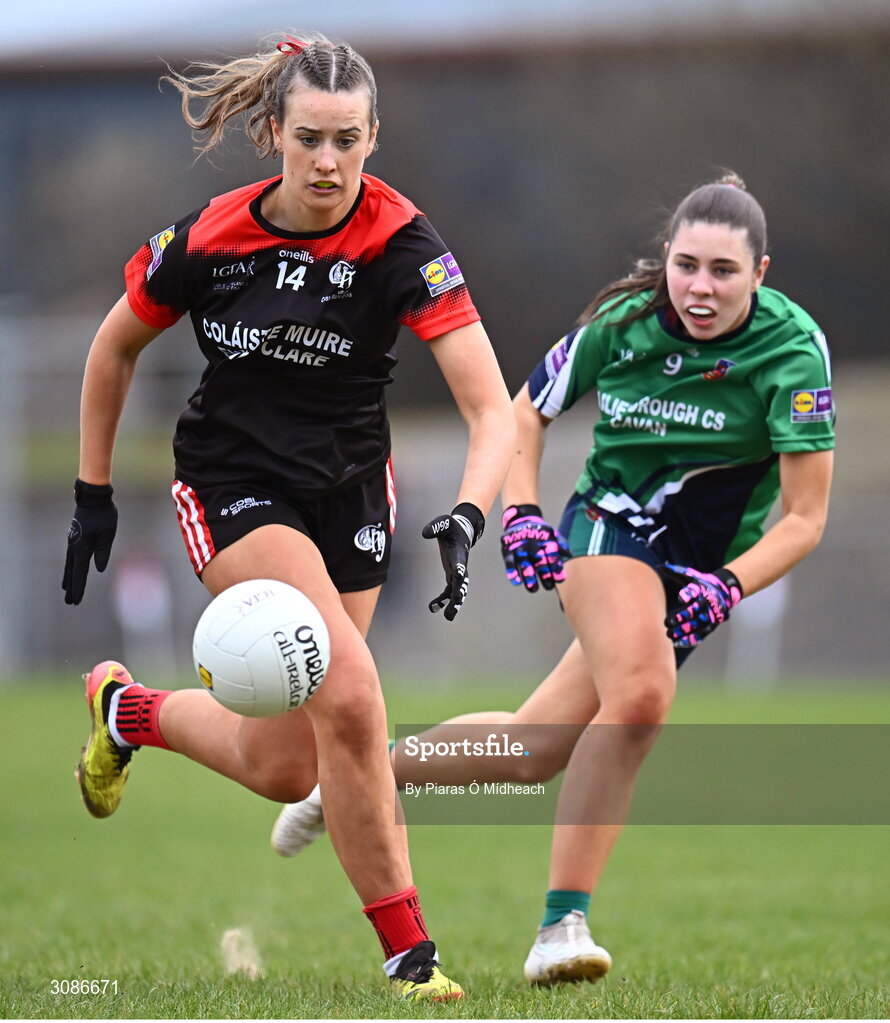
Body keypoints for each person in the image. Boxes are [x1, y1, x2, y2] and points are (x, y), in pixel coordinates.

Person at [271, 172, 835, 986]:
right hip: (609, 529)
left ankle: (362, 769)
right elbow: (522, 411)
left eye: (723, 270)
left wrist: (730, 584)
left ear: (762, 273)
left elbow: (803, 518)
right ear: (665, 261)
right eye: (686, 265)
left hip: (700, 569)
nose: (699, 287)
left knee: (533, 747)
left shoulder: (793, 350)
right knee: (641, 695)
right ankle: (560, 926)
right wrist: (527, 512)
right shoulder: (626, 322)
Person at [61, 31, 515, 1002]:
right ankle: (411, 958)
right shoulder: (208, 238)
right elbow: (111, 350)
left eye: (348, 140)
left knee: (280, 760)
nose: (327, 162)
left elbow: (488, 405)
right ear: (273, 130)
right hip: (231, 488)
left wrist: (472, 513)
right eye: (309, 137)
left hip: (348, 495)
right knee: (351, 694)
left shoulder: (402, 243)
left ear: (372, 137)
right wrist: (92, 493)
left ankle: (125, 711)